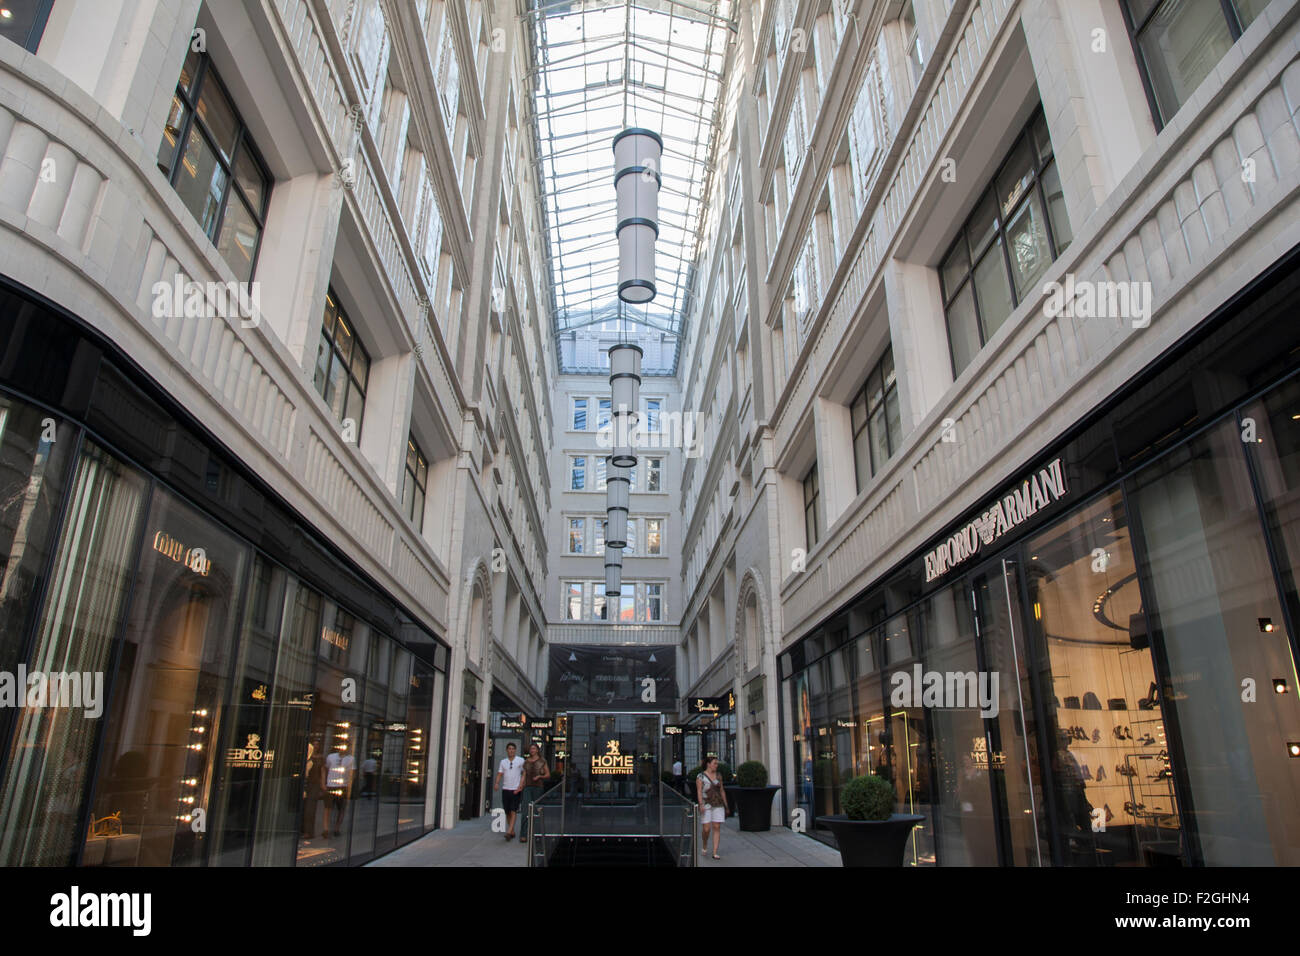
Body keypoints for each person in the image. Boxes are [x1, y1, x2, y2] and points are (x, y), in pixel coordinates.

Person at [696, 755, 728, 860]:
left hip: (718, 804)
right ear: (708, 764)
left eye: (717, 763)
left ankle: (714, 852)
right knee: (706, 828)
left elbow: (722, 790)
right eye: (715, 763)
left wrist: (726, 804)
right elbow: (699, 791)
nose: (716, 765)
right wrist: (701, 804)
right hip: (706, 804)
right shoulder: (700, 776)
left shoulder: (719, 775)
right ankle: (705, 844)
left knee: (716, 826)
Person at [519, 743, 550, 844]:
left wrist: (539, 777)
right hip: (528, 787)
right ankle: (523, 834)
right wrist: (521, 785)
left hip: (538, 787)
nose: (532, 750)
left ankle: (536, 833)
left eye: (534, 748)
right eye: (531, 748)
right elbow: (524, 774)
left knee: (536, 810)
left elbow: (548, 774)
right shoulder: (526, 761)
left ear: (537, 750)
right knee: (525, 810)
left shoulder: (542, 761)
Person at [494, 743, 524, 840]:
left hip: (515, 789)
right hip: (506, 789)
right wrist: (497, 783)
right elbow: (499, 773)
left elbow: (524, 773)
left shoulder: (520, 760)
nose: (511, 750)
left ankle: (509, 831)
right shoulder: (503, 762)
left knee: (513, 810)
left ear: (515, 750)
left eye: (513, 749)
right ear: (507, 750)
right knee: (507, 811)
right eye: (509, 749)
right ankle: (512, 831)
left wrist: (521, 785)